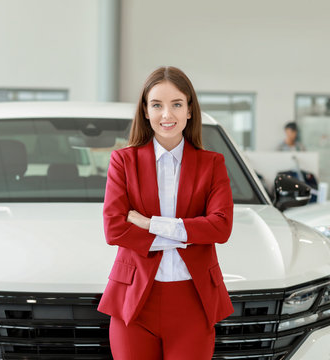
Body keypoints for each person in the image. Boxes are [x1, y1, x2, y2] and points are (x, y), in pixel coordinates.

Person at [97, 66, 234, 359]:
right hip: (133, 303)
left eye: (176, 105)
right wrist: (190, 233)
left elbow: (221, 228)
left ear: (189, 110)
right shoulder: (123, 161)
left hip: (194, 302)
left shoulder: (213, 164)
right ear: (146, 111)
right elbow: (115, 230)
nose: (166, 115)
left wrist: (149, 224)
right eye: (157, 105)